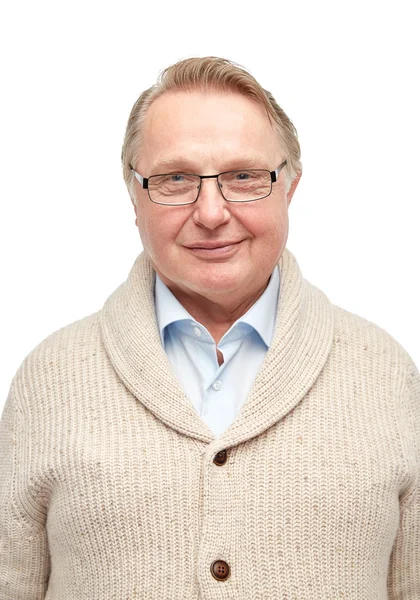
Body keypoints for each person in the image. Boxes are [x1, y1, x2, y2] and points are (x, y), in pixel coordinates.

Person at [0, 56, 418, 599]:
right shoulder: (50, 378)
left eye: (244, 177)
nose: (212, 213)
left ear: (289, 188)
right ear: (134, 195)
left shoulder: (385, 373)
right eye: (176, 179)